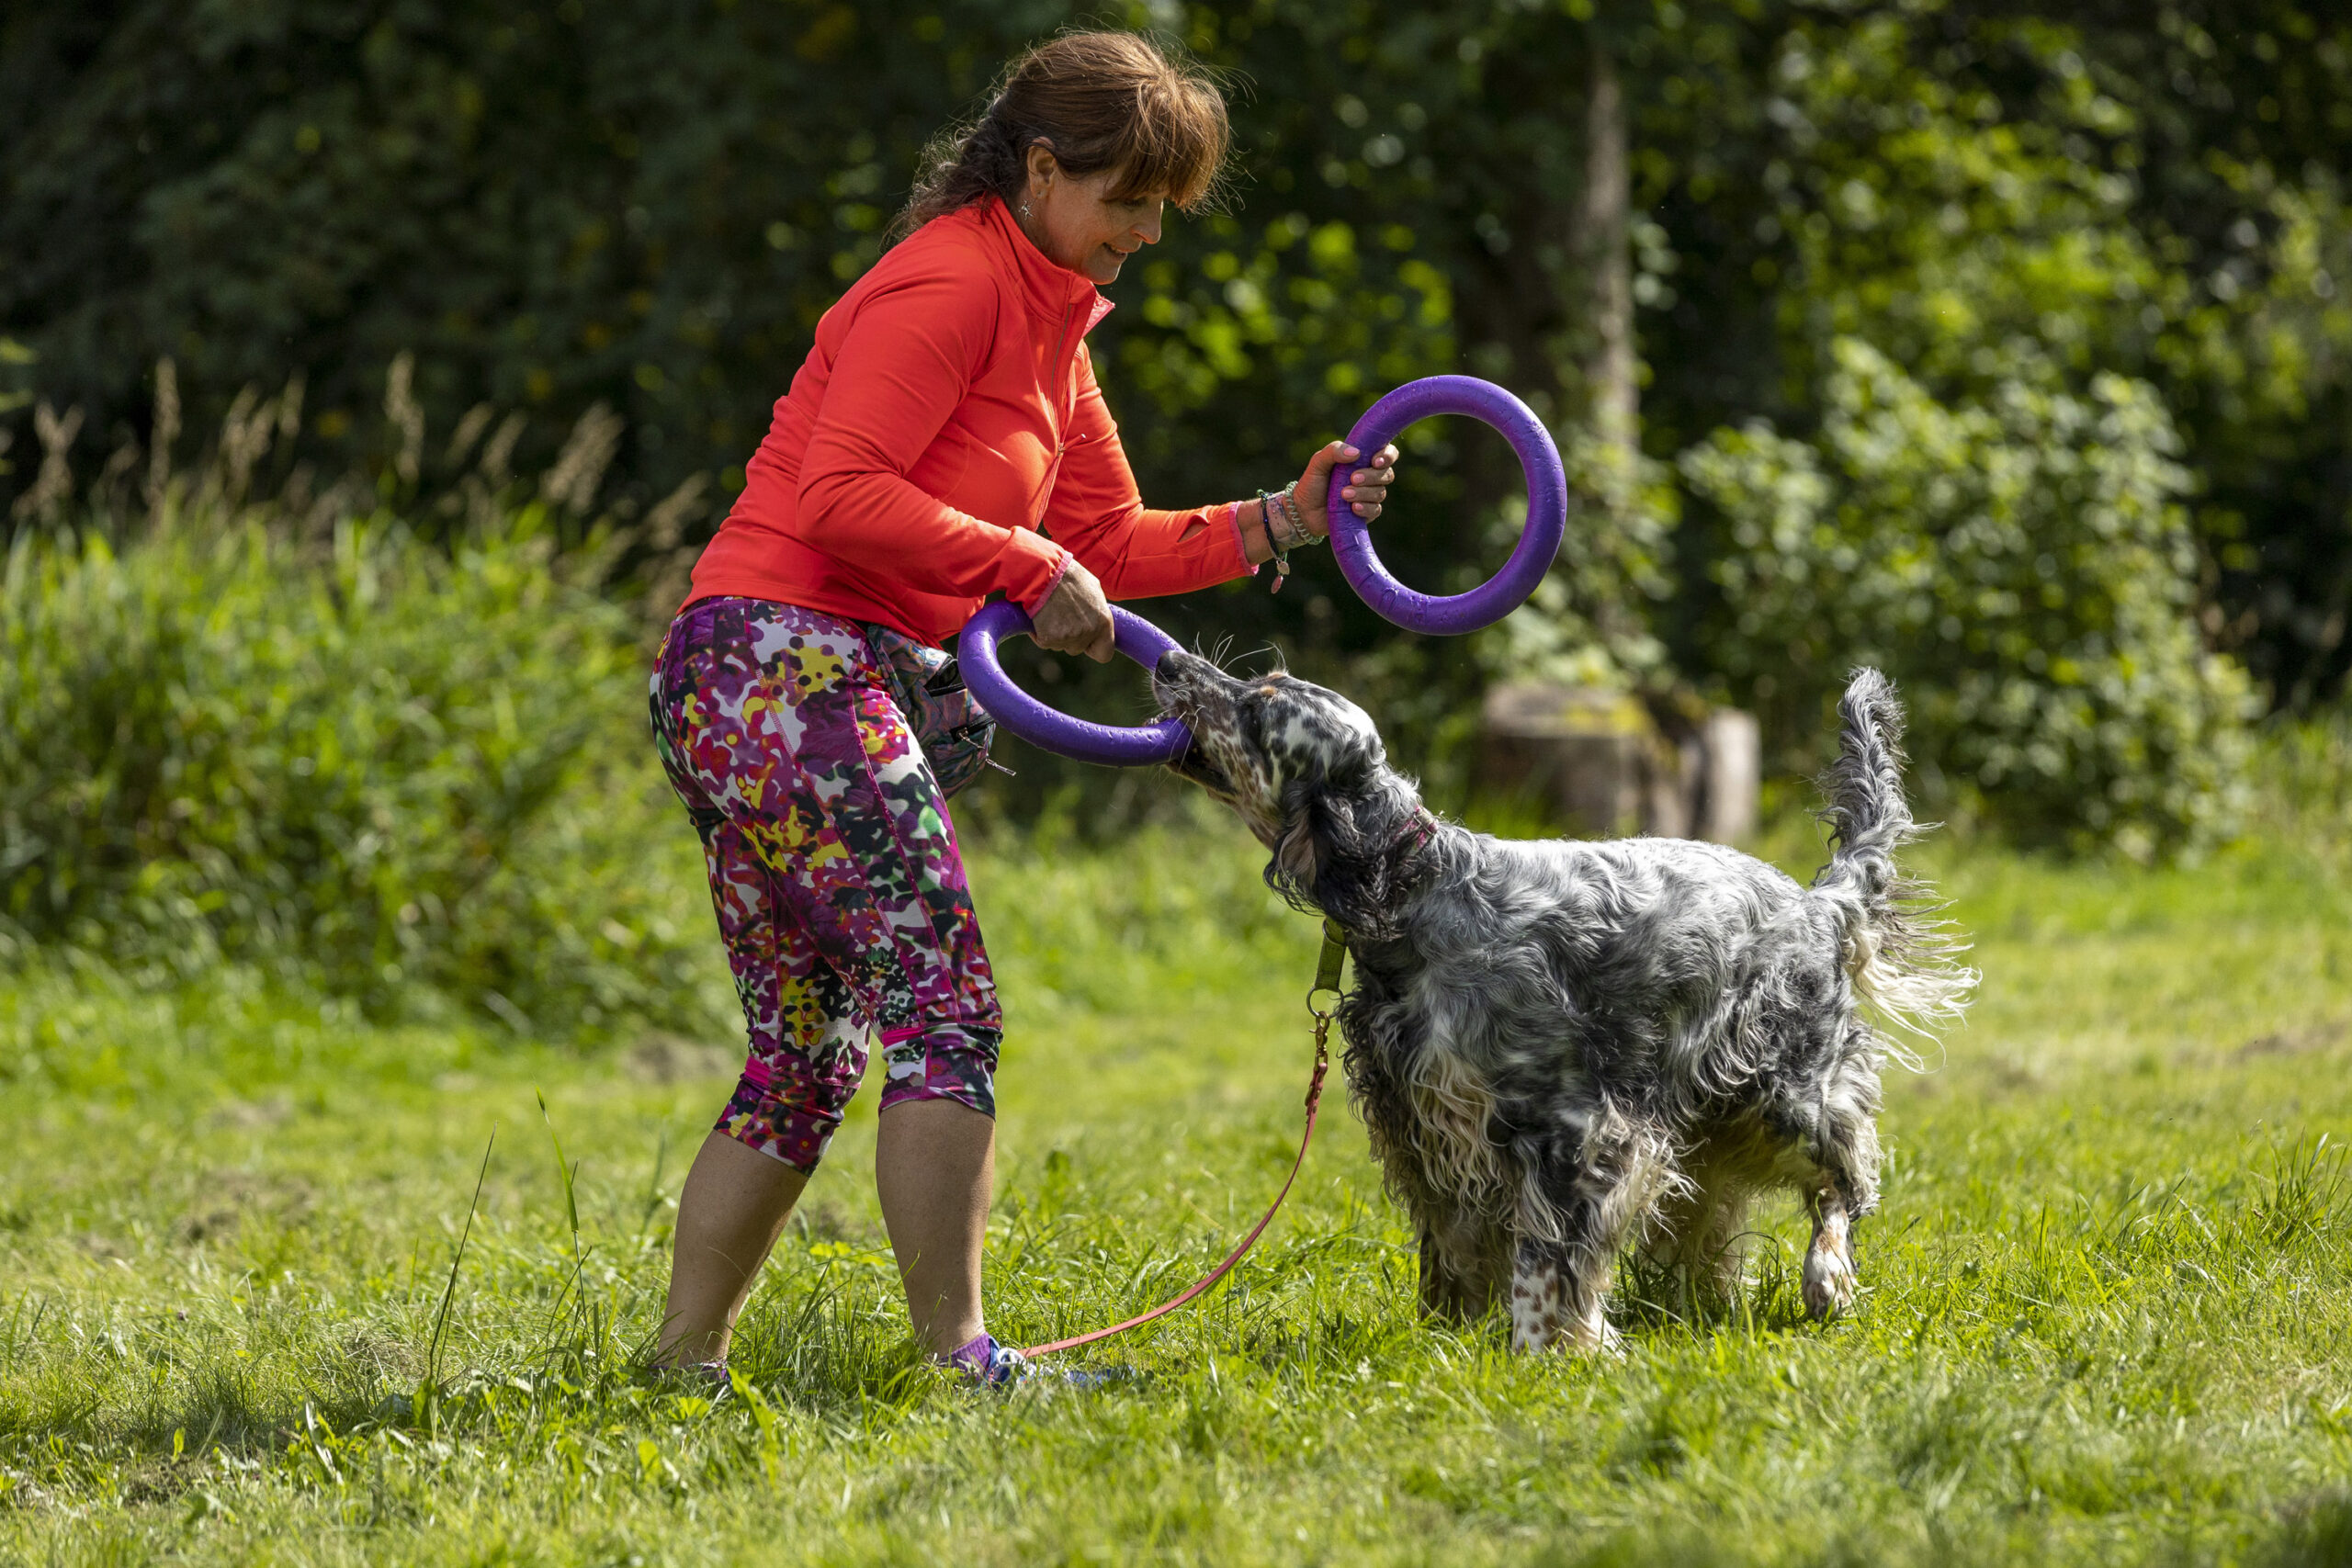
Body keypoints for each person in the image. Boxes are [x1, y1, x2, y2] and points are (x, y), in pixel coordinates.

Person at [647, 29, 1399, 1387]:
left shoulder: (1052, 322)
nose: (1146, 234)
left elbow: (1106, 539)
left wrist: (1285, 519)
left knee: (809, 1047)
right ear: (1042, 167)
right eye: (1126, 199)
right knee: (947, 1005)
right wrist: (1020, 562)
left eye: (1162, 209)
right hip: (781, 660)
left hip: (773, 675)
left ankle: (684, 1363)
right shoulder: (943, 287)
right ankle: (961, 1362)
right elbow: (839, 497)